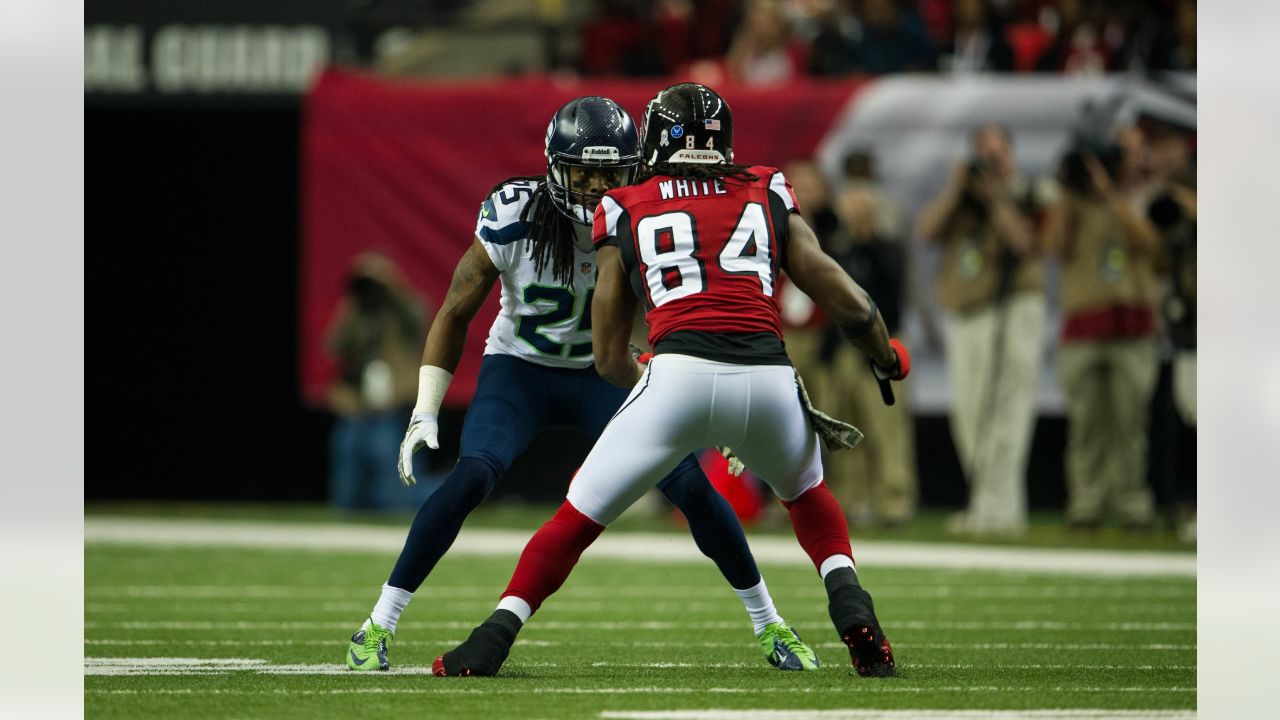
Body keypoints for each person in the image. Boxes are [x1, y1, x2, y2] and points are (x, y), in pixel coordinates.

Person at [433, 82, 908, 679]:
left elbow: (607, 357)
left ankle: (492, 638)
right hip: (767, 373)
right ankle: (850, 601)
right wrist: (885, 355)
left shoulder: (624, 204)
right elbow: (845, 298)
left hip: (676, 372)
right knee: (808, 494)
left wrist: (656, 392)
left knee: (575, 520)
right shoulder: (766, 186)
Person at [345, 96, 817, 674]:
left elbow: (675, 323)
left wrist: (708, 411)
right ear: (554, 166)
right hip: (521, 370)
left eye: (610, 173)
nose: (596, 186)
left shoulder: (643, 214)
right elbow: (453, 311)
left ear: (633, 169)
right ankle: (378, 624)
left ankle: (771, 624)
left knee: (690, 487)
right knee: (471, 475)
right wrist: (426, 409)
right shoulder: (515, 212)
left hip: (607, 373)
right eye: (584, 171)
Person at [916, 123, 1045, 537]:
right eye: (982, 152)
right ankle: (986, 502)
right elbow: (926, 231)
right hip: (966, 312)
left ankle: (1005, 509)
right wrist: (958, 188)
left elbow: (1023, 243)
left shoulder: (1028, 192)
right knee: (970, 412)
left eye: (997, 152)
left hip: (1013, 307)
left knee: (1008, 409)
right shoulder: (961, 201)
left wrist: (995, 195)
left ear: (1011, 154)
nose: (989, 160)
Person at [1044, 126, 1162, 529]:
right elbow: (1054, 247)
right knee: (1086, 424)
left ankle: (1131, 503)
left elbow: (1152, 245)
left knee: (1129, 423)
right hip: (1084, 323)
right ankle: (1086, 503)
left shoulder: (1145, 196)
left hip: (1133, 323)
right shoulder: (1073, 203)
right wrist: (1067, 189)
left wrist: (1110, 192)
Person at [324, 252, 433, 511]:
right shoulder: (358, 316)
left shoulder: (402, 314)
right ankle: (346, 513)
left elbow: (420, 315)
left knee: (390, 469)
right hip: (358, 409)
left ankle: (403, 507)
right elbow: (335, 347)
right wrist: (351, 305)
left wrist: (390, 284)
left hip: (393, 410)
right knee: (347, 455)